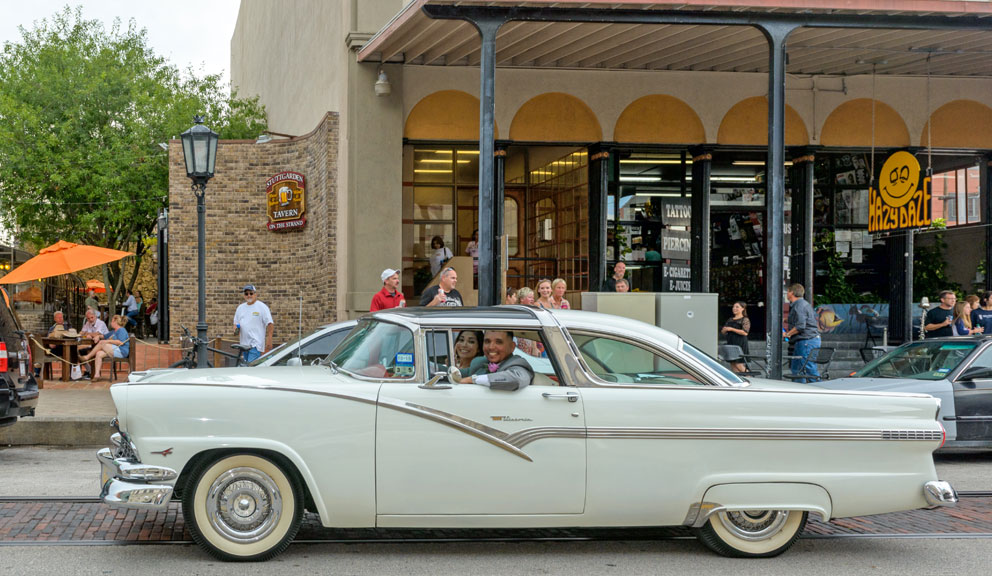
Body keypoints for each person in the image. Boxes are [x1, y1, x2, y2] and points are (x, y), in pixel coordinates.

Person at [456, 330, 534, 391]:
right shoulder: (480, 363)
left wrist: (473, 379)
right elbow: (458, 373)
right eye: (487, 341)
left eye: (498, 342)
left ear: (512, 347)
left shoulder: (518, 363)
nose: (491, 347)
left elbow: (516, 379)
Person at [784, 284, 821, 382]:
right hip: (804, 341)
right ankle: (799, 389)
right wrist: (786, 320)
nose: (787, 294)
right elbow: (801, 320)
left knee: (808, 367)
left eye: (787, 291)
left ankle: (820, 390)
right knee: (797, 369)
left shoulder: (799, 305)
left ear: (792, 293)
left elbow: (800, 326)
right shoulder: (802, 304)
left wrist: (787, 334)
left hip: (806, 341)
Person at [79, 315, 129, 381]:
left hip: (121, 351)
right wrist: (98, 337)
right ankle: (97, 375)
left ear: (115, 322)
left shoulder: (121, 330)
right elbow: (103, 336)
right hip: (114, 350)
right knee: (99, 353)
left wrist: (107, 341)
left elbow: (120, 342)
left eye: (112, 321)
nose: (111, 322)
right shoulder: (113, 331)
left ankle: (87, 357)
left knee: (102, 343)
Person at [233, 284, 274, 363]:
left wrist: (269, 339)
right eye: (246, 294)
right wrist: (235, 329)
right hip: (243, 345)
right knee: (246, 368)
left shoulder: (261, 307)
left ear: (255, 294)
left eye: (251, 293)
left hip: (256, 345)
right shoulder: (240, 308)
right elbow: (236, 323)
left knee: (250, 368)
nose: (249, 295)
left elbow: (270, 323)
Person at [721, 301, 751, 373]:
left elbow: (745, 333)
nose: (734, 308)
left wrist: (731, 329)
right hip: (731, 342)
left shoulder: (745, 319)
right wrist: (724, 330)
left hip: (740, 343)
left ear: (743, 308)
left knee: (739, 364)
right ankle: (739, 380)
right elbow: (723, 331)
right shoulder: (730, 319)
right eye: (733, 307)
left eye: (737, 307)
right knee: (733, 363)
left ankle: (749, 376)